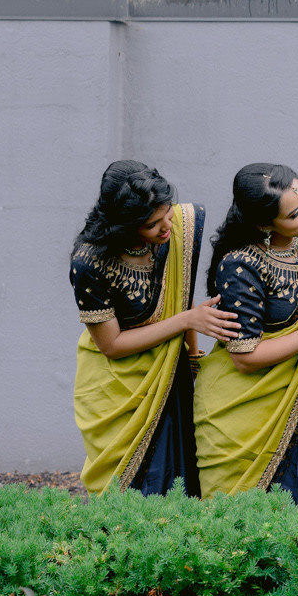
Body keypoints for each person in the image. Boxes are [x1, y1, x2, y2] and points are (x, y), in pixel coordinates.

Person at [194, 164, 298, 499]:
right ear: (263, 224)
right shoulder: (241, 265)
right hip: (242, 414)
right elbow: (244, 356)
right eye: (293, 214)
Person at [71, 161, 224, 495]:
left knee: (179, 477)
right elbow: (111, 345)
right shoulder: (90, 262)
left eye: (167, 214)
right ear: (125, 225)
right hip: (119, 385)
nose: (167, 226)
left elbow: (179, 295)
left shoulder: (178, 226)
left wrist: (194, 353)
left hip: (171, 372)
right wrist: (186, 320)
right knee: (133, 490)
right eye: (153, 224)